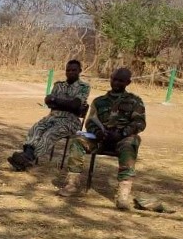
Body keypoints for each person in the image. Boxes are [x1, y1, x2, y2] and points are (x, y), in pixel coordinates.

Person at [58, 68, 146, 210]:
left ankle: (123, 195)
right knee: (78, 138)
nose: (116, 82)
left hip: (122, 139)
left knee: (132, 142)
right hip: (100, 139)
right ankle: (72, 184)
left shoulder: (135, 101)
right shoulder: (99, 101)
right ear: (110, 79)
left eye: (121, 80)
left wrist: (122, 133)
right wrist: (97, 132)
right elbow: (91, 121)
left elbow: (140, 123)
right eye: (114, 79)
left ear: (128, 82)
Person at [8, 60, 90, 171]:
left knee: (50, 133)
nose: (70, 72)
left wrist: (57, 100)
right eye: (68, 70)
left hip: (70, 121)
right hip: (52, 117)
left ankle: (27, 158)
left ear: (80, 71)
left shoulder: (84, 87)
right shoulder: (58, 85)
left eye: (74, 70)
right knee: (36, 128)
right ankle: (26, 156)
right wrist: (66, 103)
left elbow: (75, 105)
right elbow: (48, 101)